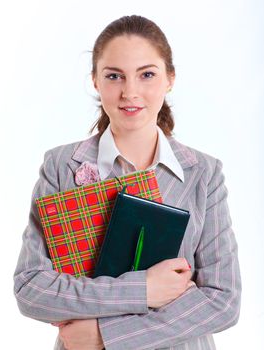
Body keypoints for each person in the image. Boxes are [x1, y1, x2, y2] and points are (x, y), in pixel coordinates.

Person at [13, 15, 241, 350]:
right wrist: (146, 289)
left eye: (147, 74)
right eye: (114, 76)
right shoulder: (61, 166)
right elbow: (31, 288)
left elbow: (223, 300)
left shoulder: (203, 173)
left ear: (170, 79)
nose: (130, 92)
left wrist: (106, 336)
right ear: (95, 80)